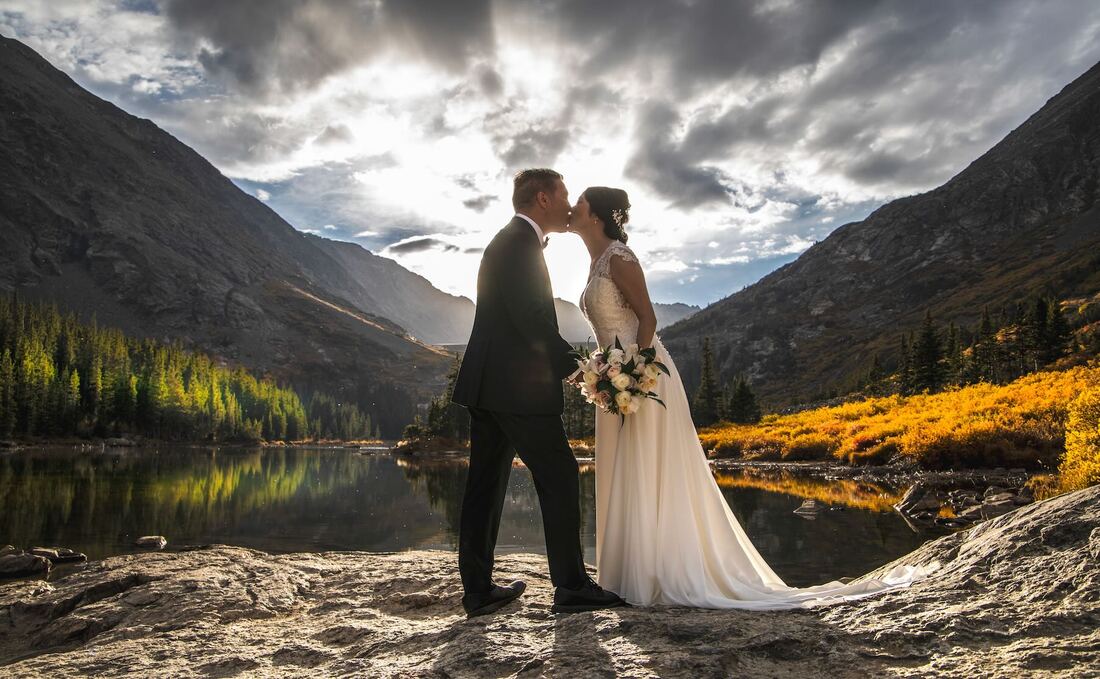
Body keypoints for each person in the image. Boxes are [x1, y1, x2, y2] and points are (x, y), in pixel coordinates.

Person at [570, 186, 933, 609]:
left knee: (650, 466)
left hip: (643, 379)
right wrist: (606, 373)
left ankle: (657, 573)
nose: (572, 209)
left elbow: (647, 317)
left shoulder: (619, 257)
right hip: (617, 378)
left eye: (578, 203)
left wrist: (634, 373)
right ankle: (626, 572)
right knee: (626, 466)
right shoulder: (595, 261)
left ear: (595, 215)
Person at [451, 169, 627, 617]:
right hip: (515, 389)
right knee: (561, 475)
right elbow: (531, 318)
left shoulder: (511, 241)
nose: (570, 204)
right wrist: (583, 369)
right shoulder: (519, 245)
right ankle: (570, 586)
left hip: (492, 385)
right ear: (544, 199)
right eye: (565, 194)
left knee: (485, 485)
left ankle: (478, 590)